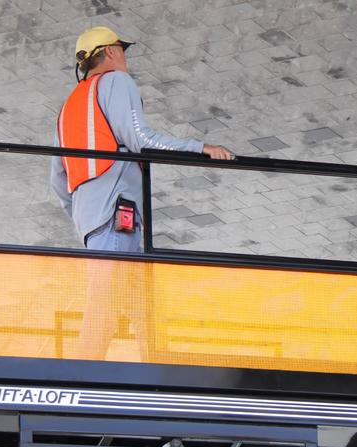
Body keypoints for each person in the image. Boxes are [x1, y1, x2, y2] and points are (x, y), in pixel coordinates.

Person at [49, 26, 234, 362]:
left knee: (141, 303)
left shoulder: (69, 107)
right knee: (105, 303)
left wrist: (87, 212)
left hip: (91, 221)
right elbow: (141, 139)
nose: (124, 56)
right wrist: (199, 148)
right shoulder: (116, 82)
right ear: (110, 51)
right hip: (118, 211)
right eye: (122, 49)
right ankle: (81, 380)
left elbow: (59, 182)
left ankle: (155, 371)